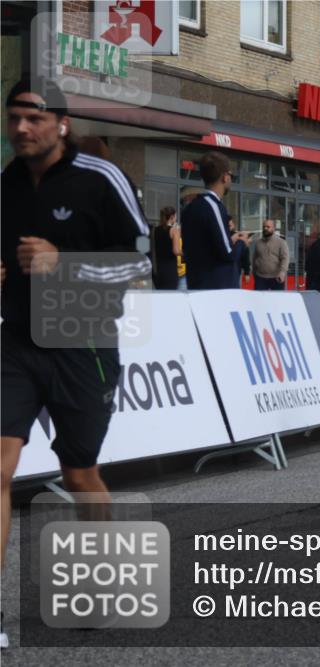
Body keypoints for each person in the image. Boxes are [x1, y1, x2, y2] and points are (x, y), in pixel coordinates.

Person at [2, 78, 151, 649]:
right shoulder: (7, 185)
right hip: (15, 340)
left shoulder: (99, 177)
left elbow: (142, 264)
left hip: (81, 340)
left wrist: (66, 264)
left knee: (78, 473)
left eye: (33, 118)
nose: (21, 128)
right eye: (14, 117)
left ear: (60, 124)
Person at [181, 152, 250, 289]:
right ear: (224, 177)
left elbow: (201, 246)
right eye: (231, 175)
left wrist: (232, 239)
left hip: (196, 283)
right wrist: (242, 242)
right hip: (218, 288)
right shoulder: (214, 206)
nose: (231, 178)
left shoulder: (191, 207)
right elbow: (228, 253)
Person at [251, 218, 289, 291]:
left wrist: (282, 272)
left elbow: (285, 258)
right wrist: (254, 272)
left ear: (273, 228)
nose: (265, 228)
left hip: (276, 278)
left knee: (276, 300)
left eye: (268, 227)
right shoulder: (258, 243)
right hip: (260, 278)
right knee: (259, 301)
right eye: (264, 227)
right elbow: (254, 258)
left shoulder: (281, 242)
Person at [151, 206, 181, 290]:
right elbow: (176, 251)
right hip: (170, 271)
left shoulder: (154, 230)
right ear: (172, 217)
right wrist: (185, 253)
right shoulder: (174, 230)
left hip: (157, 271)